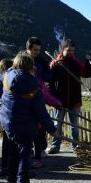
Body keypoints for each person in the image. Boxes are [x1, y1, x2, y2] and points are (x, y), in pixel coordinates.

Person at [0, 53, 58, 183]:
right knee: (24, 155)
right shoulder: (33, 86)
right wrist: (53, 130)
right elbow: (41, 113)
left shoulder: (7, 78)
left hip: (8, 123)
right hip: (25, 125)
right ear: (30, 67)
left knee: (13, 154)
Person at [47, 38, 91, 154]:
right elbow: (48, 81)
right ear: (63, 49)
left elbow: (86, 74)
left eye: (73, 51)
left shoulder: (76, 62)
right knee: (57, 124)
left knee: (74, 125)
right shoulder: (55, 63)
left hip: (74, 99)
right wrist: (53, 98)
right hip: (59, 100)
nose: (71, 53)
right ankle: (55, 145)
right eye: (69, 50)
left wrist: (88, 62)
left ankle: (76, 146)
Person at [25, 37, 62, 168]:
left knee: (39, 129)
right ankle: (26, 157)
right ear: (28, 49)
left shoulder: (41, 61)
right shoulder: (21, 62)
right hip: (24, 105)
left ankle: (38, 155)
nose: (37, 52)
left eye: (39, 50)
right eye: (35, 50)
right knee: (27, 133)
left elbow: (47, 78)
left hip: (38, 98)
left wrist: (54, 68)